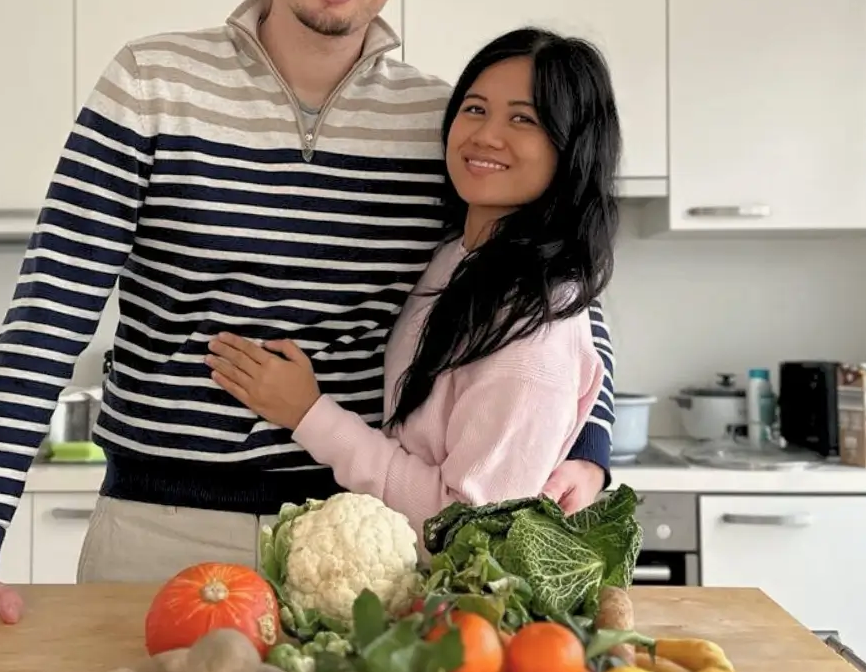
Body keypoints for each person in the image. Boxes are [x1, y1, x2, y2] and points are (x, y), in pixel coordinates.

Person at [0, 0, 616, 654]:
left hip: (359, 550)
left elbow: (548, 290)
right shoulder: (152, 82)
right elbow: (49, 313)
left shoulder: (440, 120)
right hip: (156, 532)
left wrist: (590, 443)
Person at [206, 27, 620, 551]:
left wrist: (309, 414)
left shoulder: (533, 330)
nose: (486, 135)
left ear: (572, 147)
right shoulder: (457, 257)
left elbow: (466, 527)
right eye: (474, 109)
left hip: (452, 611)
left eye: (523, 118)